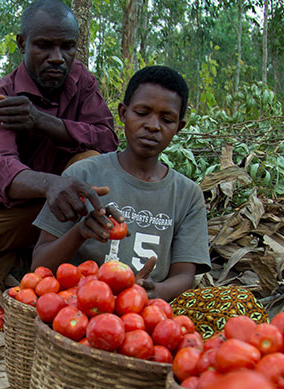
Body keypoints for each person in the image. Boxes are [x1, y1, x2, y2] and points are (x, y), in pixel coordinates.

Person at [0, 0, 119, 287]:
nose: (57, 57)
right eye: (44, 45)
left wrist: (42, 121)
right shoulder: (1, 99)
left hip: (72, 210)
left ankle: (75, 264)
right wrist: (51, 184)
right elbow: (2, 169)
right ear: (22, 43)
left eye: (67, 46)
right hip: (21, 211)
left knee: (89, 159)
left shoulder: (82, 82)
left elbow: (108, 141)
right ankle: (21, 270)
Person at [31, 66, 210, 302]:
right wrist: (80, 231)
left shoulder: (187, 195)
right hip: (78, 306)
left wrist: (155, 292)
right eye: (142, 112)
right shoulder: (83, 174)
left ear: (179, 127)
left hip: (141, 318)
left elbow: (184, 276)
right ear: (123, 113)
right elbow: (39, 264)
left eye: (167, 119)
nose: (153, 126)